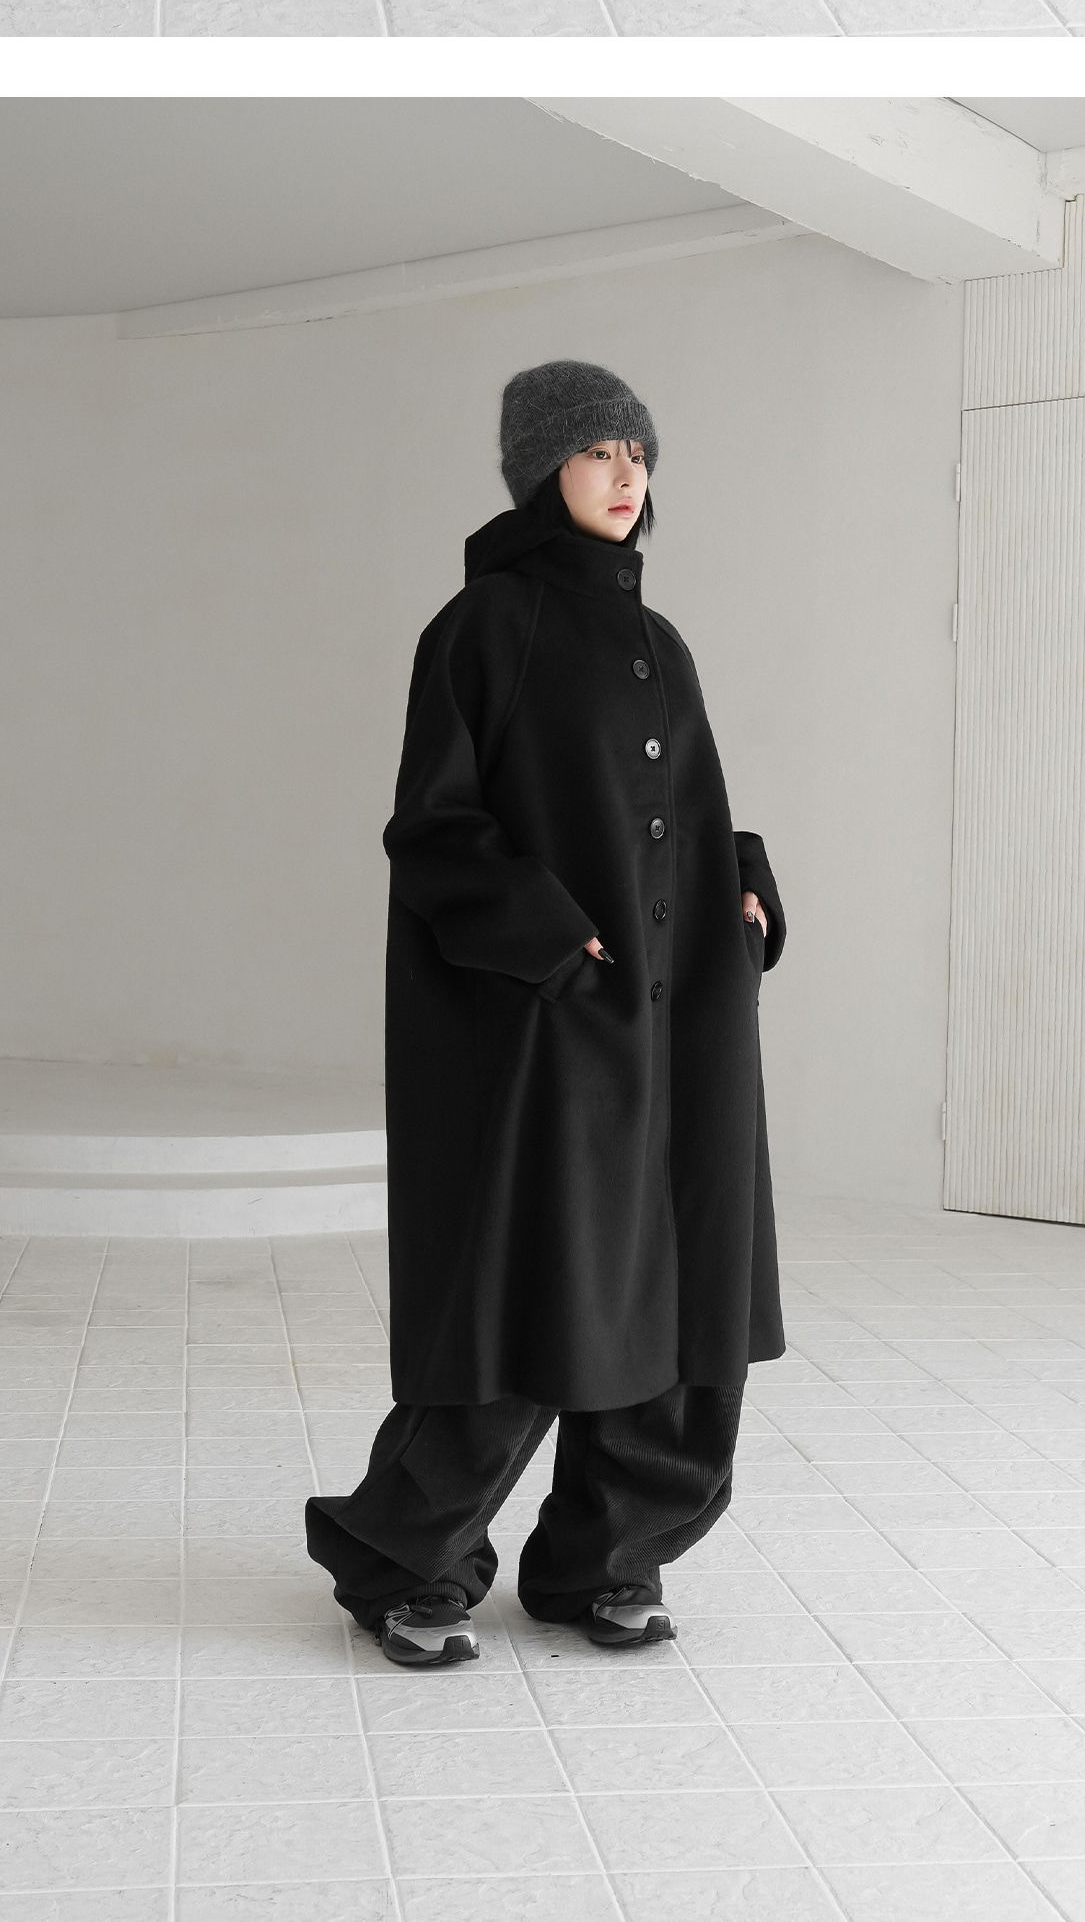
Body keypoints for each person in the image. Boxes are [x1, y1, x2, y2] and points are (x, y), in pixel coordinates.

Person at [306, 357, 785, 1662]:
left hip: (682, 1017)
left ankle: (605, 1562)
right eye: (598, 452)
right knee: (532, 1293)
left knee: (675, 1289)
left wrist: (742, 879)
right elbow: (434, 827)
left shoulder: (660, 642)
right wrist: (551, 938)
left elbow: (685, 807)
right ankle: (407, 1560)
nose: (628, 476)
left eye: (639, 454)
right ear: (540, 471)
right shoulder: (482, 628)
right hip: (553, 1018)